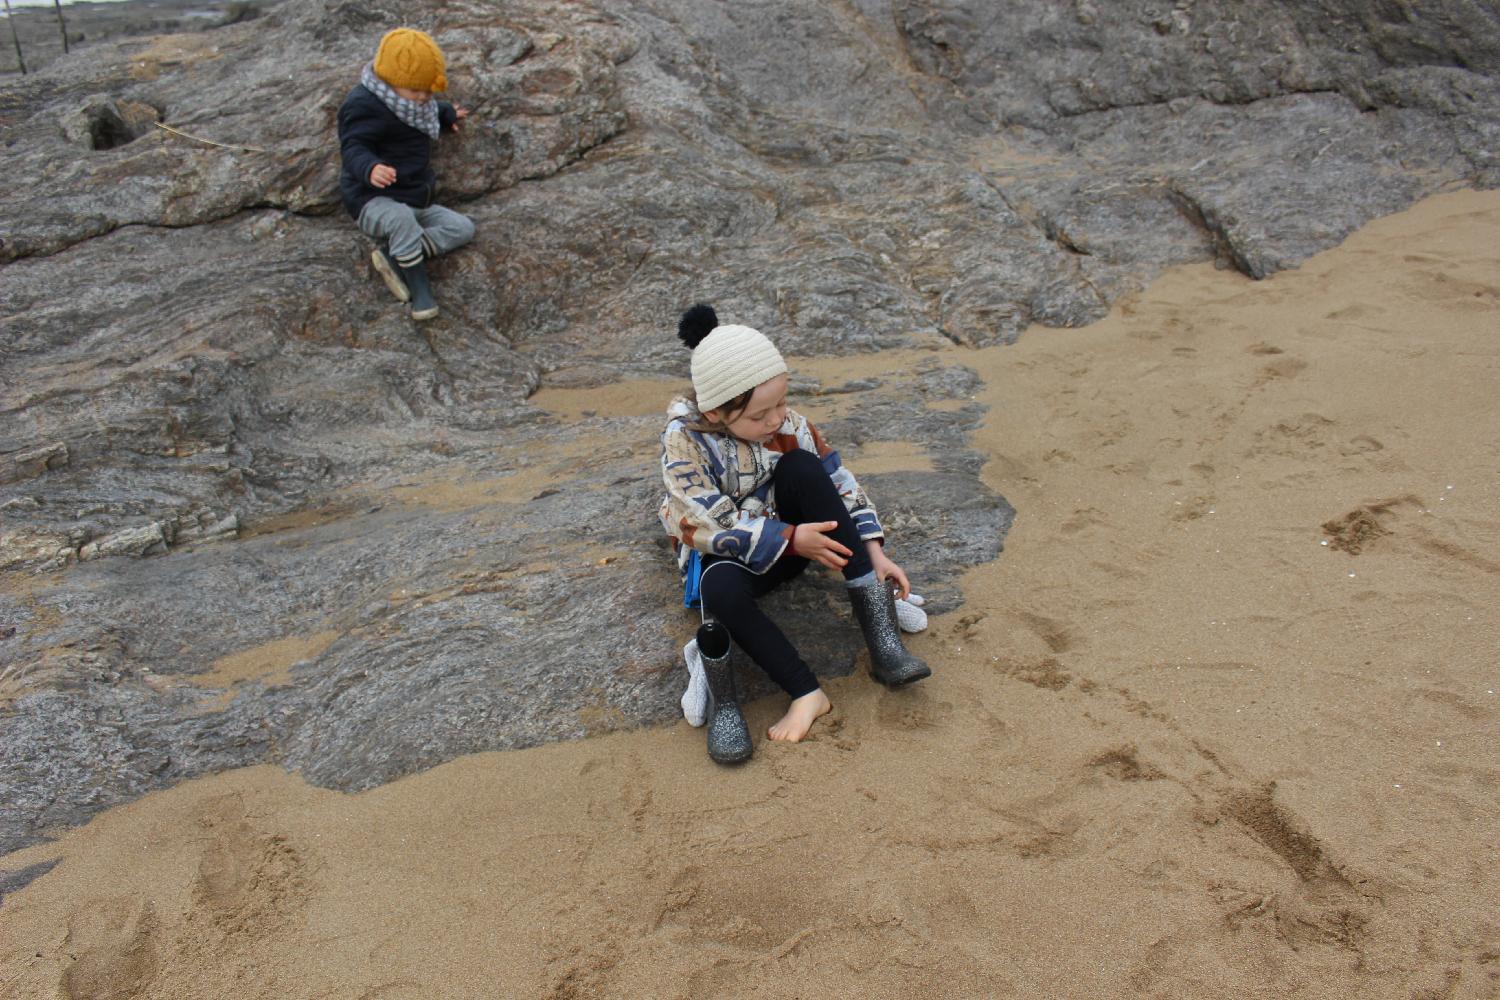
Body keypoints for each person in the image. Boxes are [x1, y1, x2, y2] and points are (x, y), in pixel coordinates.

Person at [659, 304, 931, 764]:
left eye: (782, 403)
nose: (775, 420)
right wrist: (787, 537)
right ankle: (804, 692)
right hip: (737, 552)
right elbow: (702, 519)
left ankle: (882, 636)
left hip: (806, 538)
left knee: (805, 467)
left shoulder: (788, 425)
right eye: (759, 413)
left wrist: (873, 550)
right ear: (715, 409)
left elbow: (839, 484)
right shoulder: (684, 445)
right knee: (717, 587)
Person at [337, 27, 475, 322]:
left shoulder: (414, 104)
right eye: (417, 91)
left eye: (429, 92)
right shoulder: (363, 105)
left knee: (462, 228)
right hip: (373, 201)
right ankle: (419, 290)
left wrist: (446, 112)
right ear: (390, 81)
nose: (423, 97)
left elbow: (424, 110)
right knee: (400, 220)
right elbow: (353, 146)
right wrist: (370, 168)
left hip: (413, 197)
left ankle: (396, 255)